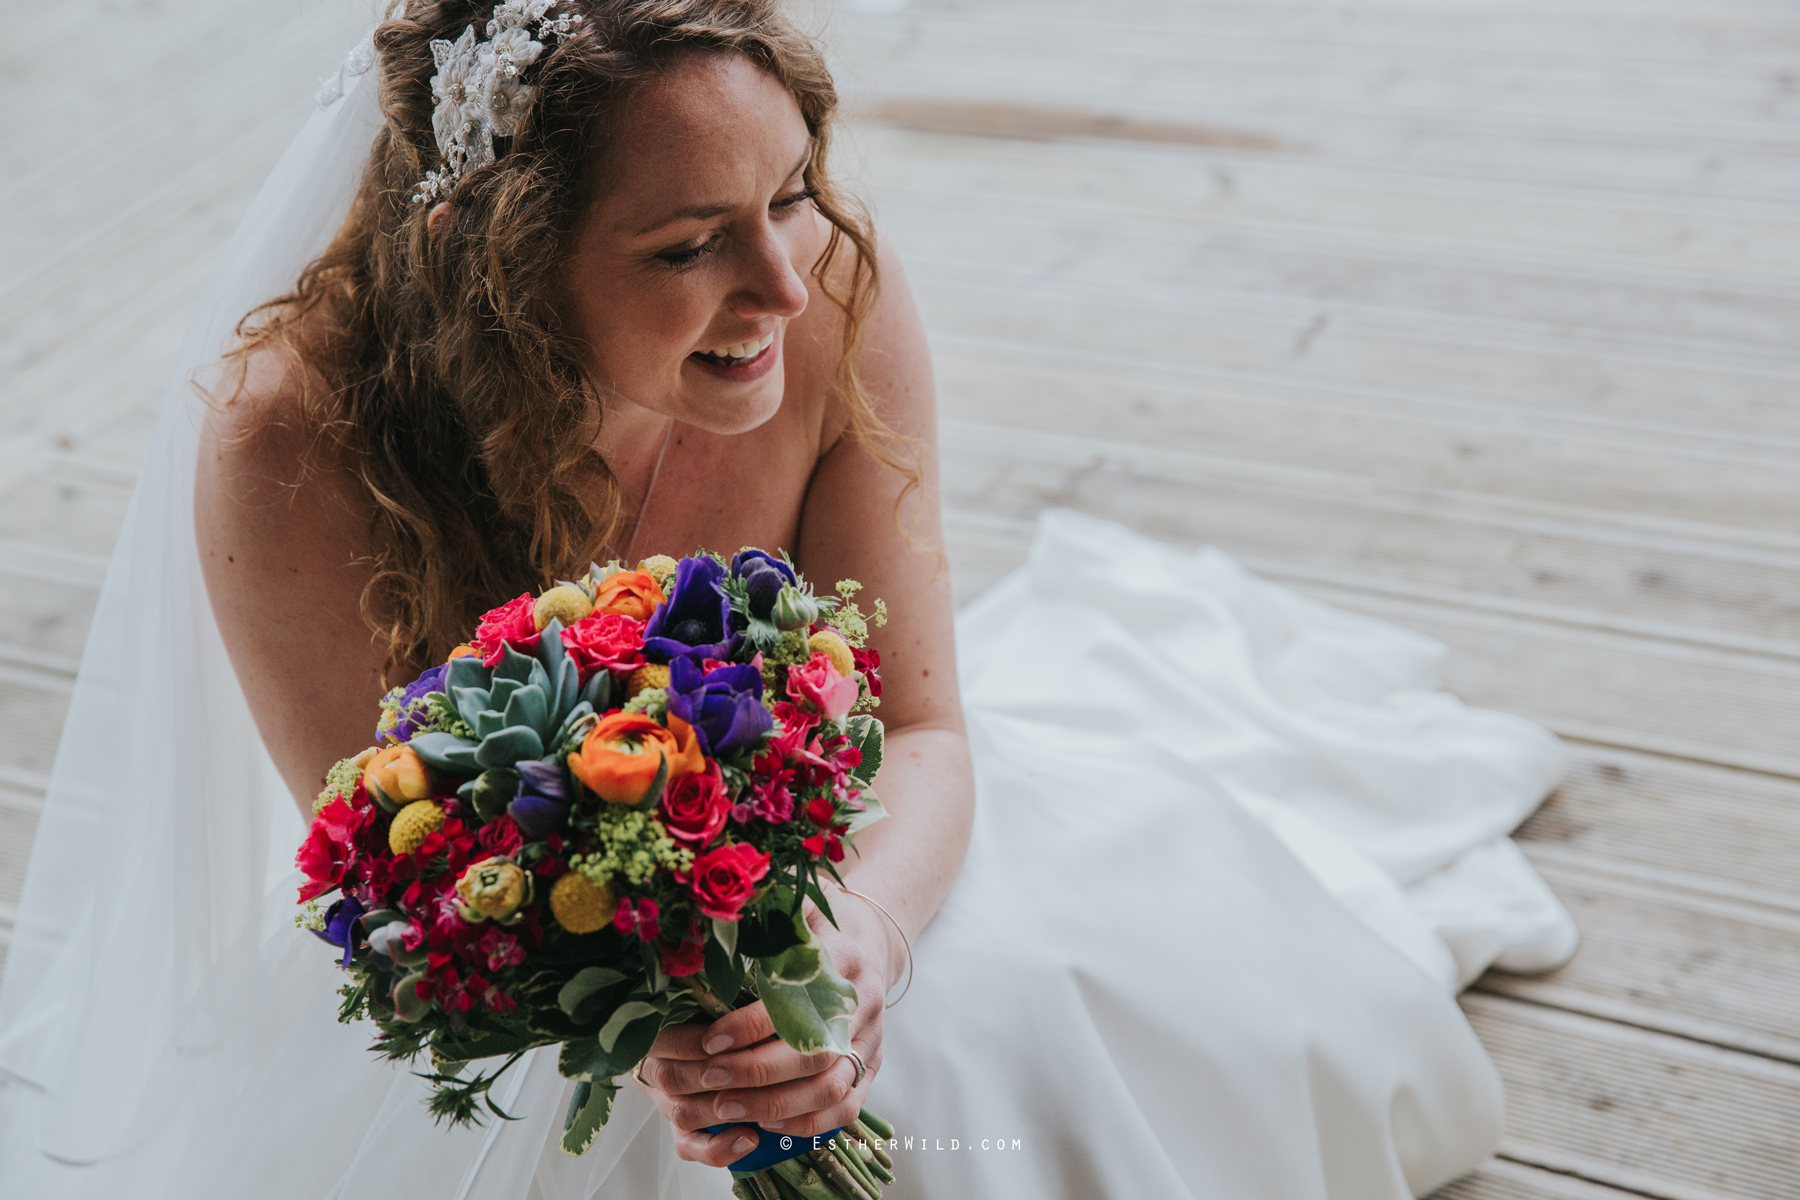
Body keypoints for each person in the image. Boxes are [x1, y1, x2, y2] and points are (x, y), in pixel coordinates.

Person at [0, 2, 1578, 1197]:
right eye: (692, 245)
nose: (779, 281)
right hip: (525, 961)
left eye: (795, 190)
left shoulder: (832, 287)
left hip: (854, 849)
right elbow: (403, 871)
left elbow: (930, 728)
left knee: (997, 1031)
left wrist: (860, 944)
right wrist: (670, 1016)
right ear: (496, 262)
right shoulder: (295, 437)